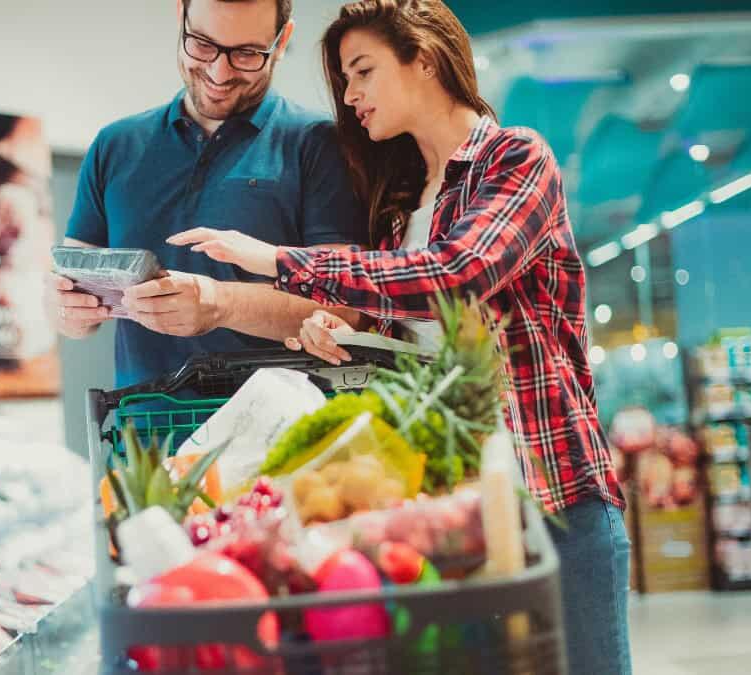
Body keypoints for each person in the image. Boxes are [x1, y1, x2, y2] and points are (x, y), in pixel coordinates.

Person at [170, 1, 631, 672]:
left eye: (363, 71)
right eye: (344, 80)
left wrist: (280, 260)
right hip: (455, 515)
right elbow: (407, 339)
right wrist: (342, 331)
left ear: (425, 58)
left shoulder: (515, 159)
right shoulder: (401, 212)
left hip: (553, 497)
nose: (351, 95)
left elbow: (457, 275)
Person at [45, 0, 367, 389]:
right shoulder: (114, 145)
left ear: (282, 41)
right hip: (145, 422)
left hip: (283, 423)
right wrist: (65, 308)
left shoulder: (320, 144)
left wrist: (218, 303)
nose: (219, 72)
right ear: (180, 16)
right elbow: (68, 298)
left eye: (246, 53)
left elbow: (346, 309)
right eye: (202, 44)